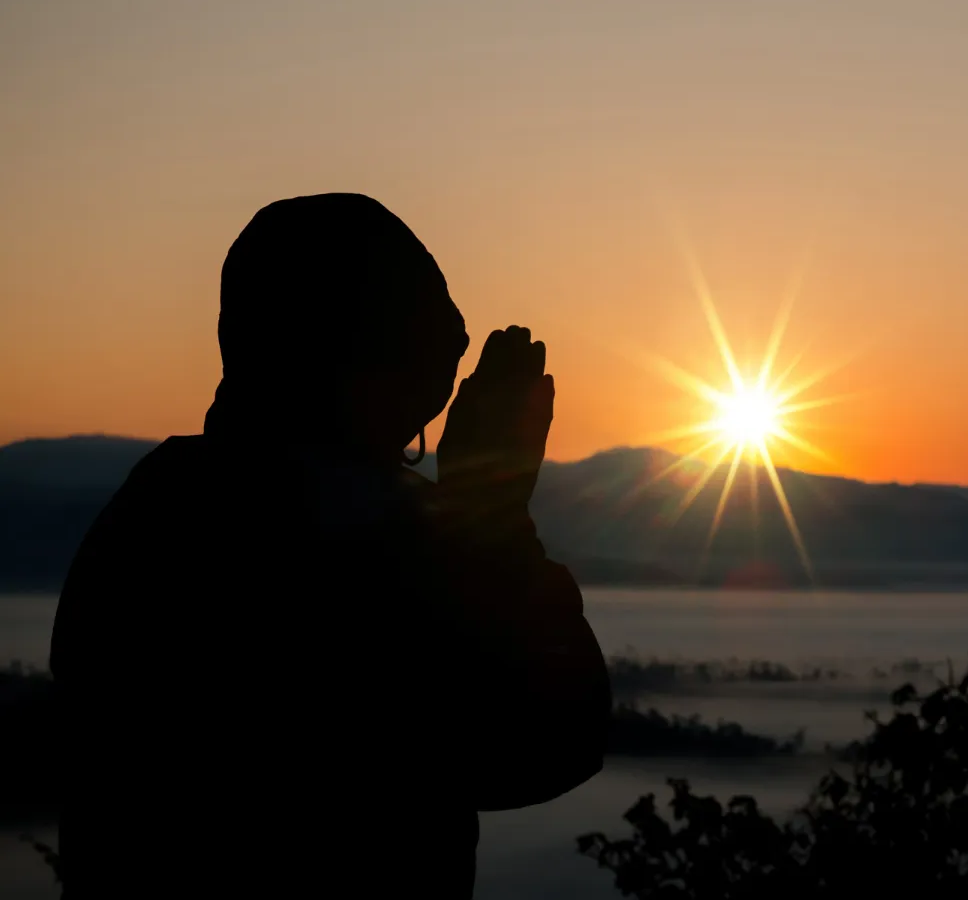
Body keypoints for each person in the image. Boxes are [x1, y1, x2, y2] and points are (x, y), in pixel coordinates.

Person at [49, 193, 611, 898]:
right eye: (421, 339)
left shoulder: (169, 503)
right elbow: (536, 743)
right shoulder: (244, 529)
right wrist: (492, 516)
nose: (449, 359)